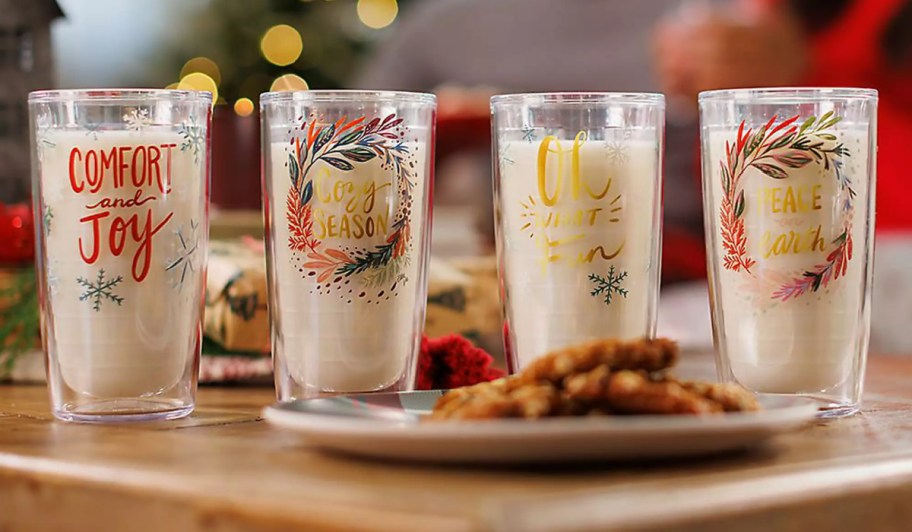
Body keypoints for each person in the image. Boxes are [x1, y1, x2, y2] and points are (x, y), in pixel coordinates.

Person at [353, 0, 706, 281]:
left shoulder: (712, 16)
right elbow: (359, 140)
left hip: (673, 270)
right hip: (510, 266)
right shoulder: (441, 23)